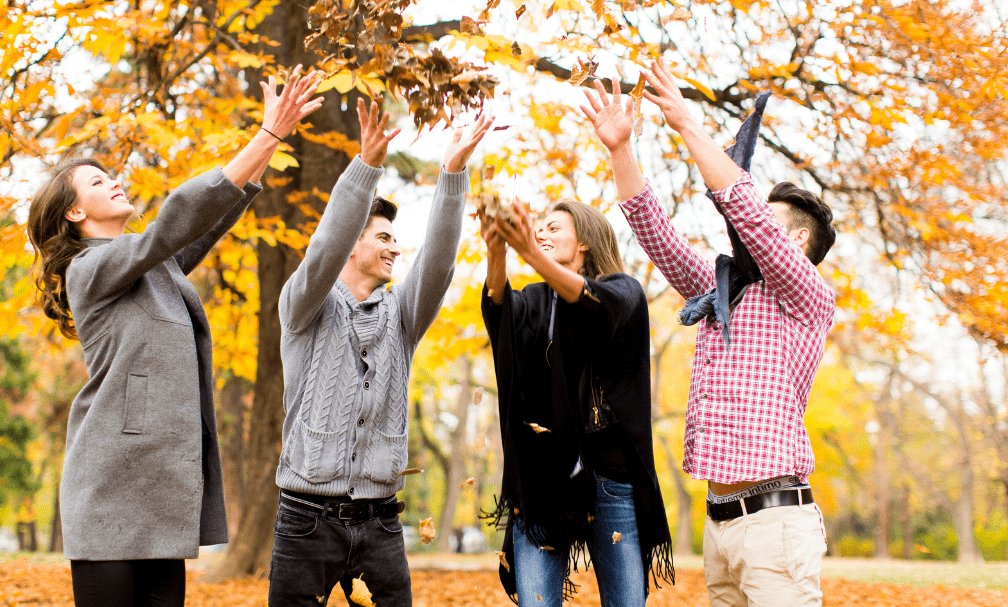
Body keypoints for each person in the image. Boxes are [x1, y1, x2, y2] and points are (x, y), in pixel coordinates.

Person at [27, 66, 323, 607]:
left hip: (160, 490)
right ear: (74, 212)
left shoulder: (152, 265)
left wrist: (268, 144)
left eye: (110, 174)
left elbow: (199, 225)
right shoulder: (87, 270)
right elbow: (171, 225)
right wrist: (267, 136)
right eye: (97, 181)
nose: (114, 180)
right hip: (107, 486)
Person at [582, 59, 836, 606]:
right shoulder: (726, 292)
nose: (746, 230)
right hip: (720, 527)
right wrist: (620, 150)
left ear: (793, 239)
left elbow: (744, 211)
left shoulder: (806, 297)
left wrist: (688, 125)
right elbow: (656, 234)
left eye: (767, 221)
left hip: (777, 529)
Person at [269, 98, 492, 607]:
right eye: (384, 237)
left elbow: (436, 264)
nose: (396, 248)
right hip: (306, 521)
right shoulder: (303, 308)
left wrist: (453, 173)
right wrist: (365, 167)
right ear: (352, 243)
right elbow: (322, 249)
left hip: (381, 522)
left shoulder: (402, 317)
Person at [479, 195, 673, 606]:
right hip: (542, 480)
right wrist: (497, 252)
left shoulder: (623, 291)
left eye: (553, 228)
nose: (542, 234)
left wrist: (530, 252)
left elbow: (592, 305)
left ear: (584, 240)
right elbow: (499, 312)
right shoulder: (533, 299)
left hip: (609, 478)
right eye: (539, 227)